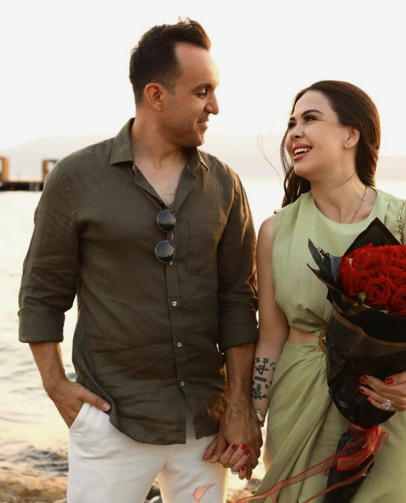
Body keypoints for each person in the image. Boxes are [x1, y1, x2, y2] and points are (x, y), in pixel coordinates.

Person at [18, 19, 262, 503]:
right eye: (202, 92)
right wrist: (57, 387)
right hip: (112, 420)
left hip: (205, 428)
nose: (214, 106)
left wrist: (239, 407)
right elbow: (42, 295)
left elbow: (239, 302)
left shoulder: (226, 185)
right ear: (156, 95)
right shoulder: (75, 179)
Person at [250, 80, 406, 502]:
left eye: (310, 119)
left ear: (351, 135)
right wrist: (252, 419)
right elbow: (270, 339)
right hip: (299, 402)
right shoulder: (275, 231)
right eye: (291, 124)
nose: (294, 132)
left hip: (388, 406)